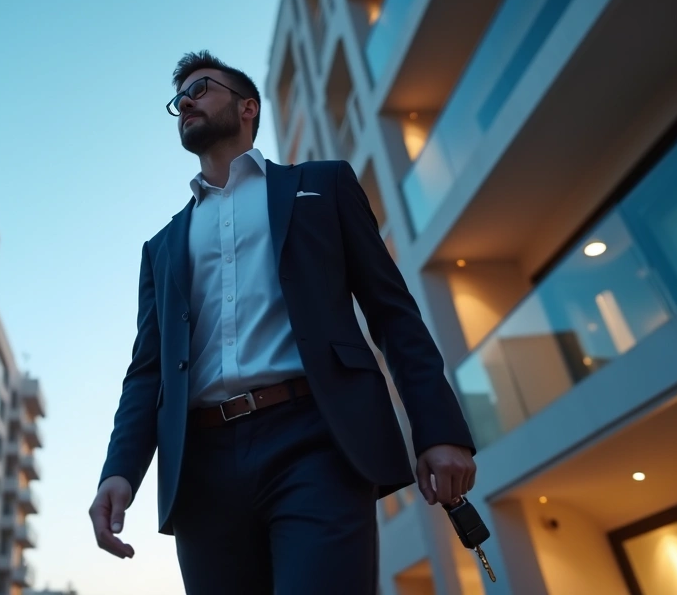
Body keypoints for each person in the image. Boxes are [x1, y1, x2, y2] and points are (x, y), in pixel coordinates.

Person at [87, 51, 478, 594]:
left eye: (201, 88)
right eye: (179, 100)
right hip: (201, 468)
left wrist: (438, 430)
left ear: (248, 107)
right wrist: (119, 472)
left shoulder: (323, 187)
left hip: (315, 439)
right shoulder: (162, 246)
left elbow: (392, 311)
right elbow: (148, 371)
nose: (186, 103)